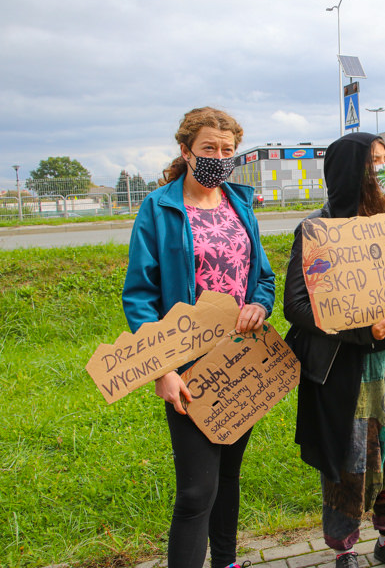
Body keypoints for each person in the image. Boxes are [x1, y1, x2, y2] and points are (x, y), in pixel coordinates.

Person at [122, 107, 276, 568]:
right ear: (186, 151)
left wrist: (259, 305)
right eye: (209, 147)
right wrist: (162, 368)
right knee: (195, 491)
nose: (219, 157)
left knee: (228, 477)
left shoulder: (239, 204)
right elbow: (140, 295)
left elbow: (263, 278)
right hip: (187, 365)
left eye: (227, 149)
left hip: (241, 362)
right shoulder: (160, 208)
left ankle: (226, 562)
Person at [283, 132, 385, 568]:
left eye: (384, 160)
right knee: (352, 463)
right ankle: (344, 550)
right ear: (349, 169)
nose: (380, 168)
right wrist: (361, 331)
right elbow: (297, 306)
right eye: (372, 160)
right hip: (346, 370)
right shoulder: (316, 229)